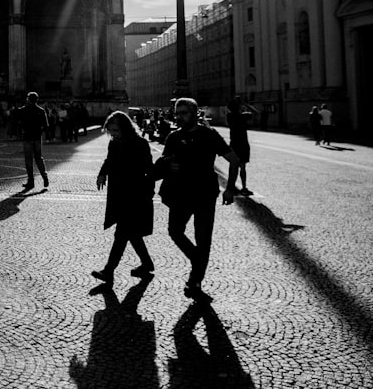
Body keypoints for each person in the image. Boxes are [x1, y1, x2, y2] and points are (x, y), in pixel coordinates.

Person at [158, 97, 243, 302]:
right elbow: (163, 162)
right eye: (177, 113)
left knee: (203, 239)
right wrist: (168, 166)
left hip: (205, 193)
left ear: (195, 113)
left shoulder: (209, 135)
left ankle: (195, 281)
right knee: (175, 232)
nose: (179, 117)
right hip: (179, 193)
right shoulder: (173, 137)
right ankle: (198, 260)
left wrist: (230, 189)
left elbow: (234, 160)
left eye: (184, 113)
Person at [91, 111, 155, 284]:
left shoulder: (140, 144)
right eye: (110, 130)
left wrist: (149, 192)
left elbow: (149, 169)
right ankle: (147, 264)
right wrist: (102, 173)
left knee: (122, 233)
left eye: (116, 130)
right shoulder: (114, 144)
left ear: (125, 129)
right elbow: (109, 160)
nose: (113, 134)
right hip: (119, 194)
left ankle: (109, 271)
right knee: (132, 233)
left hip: (136, 194)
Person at [225, 97, 254, 195]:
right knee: (242, 167)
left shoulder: (229, 116)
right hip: (243, 143)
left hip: (234, 143)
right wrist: (245, 103)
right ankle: (244, 187)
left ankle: (231, 186)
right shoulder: (243, 116)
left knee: (233, 166)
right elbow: (255, 112)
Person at [21, 92, 49, 189]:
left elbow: (16, 119)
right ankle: (44, 176)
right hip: (37, 137)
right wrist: (39, 131)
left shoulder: (24, 110)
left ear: (28, 99)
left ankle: (31, 181)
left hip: (27, 137)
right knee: (39, 158)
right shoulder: (41, 110)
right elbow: (46, 126)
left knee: (28, 160)